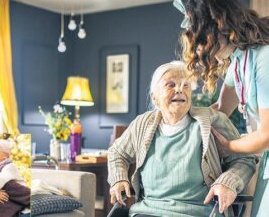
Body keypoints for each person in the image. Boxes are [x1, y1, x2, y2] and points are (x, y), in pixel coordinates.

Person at [108, 61, 257, 217]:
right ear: (155, 97)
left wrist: (227, 182)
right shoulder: (142, 124)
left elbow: (245, 159)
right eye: (170, 85)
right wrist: (118, 179)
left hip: (199, 212)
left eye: (185, 85)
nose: (179, 90)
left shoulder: (212, 120)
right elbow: (117, 153)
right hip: (147, 211)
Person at [176, 0, 269, 216]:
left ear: (221, 26)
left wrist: (229, 147)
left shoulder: (264, 58)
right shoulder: (238, 60)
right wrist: (179, 122)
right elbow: (219, 110)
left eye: (201, 40)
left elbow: (267, 134)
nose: (199, 50)